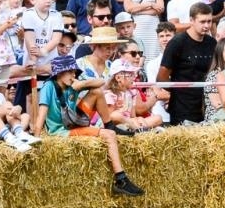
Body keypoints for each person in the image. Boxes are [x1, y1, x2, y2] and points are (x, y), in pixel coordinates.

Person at [32, 53, 143, 195]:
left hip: (73, 120)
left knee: (96, 91)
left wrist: (82, 84)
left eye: (74, 72)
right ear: (59, 73)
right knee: (109, 135)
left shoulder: (73, 84)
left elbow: (101, 83)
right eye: (70, 72)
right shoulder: (49, 87)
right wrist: (36, 141)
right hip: (62, 130)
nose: (73, 75)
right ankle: (121, 180)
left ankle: (109, 124)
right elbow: (41, 115)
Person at [158, 2, 217, 124]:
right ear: (191, 20)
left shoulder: (212, 43)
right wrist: (178, 92)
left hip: (206, 104)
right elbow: (161, 77)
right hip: (182, 107)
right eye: (202, 22)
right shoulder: (177, 43)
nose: (206, 25)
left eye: (209, 21)